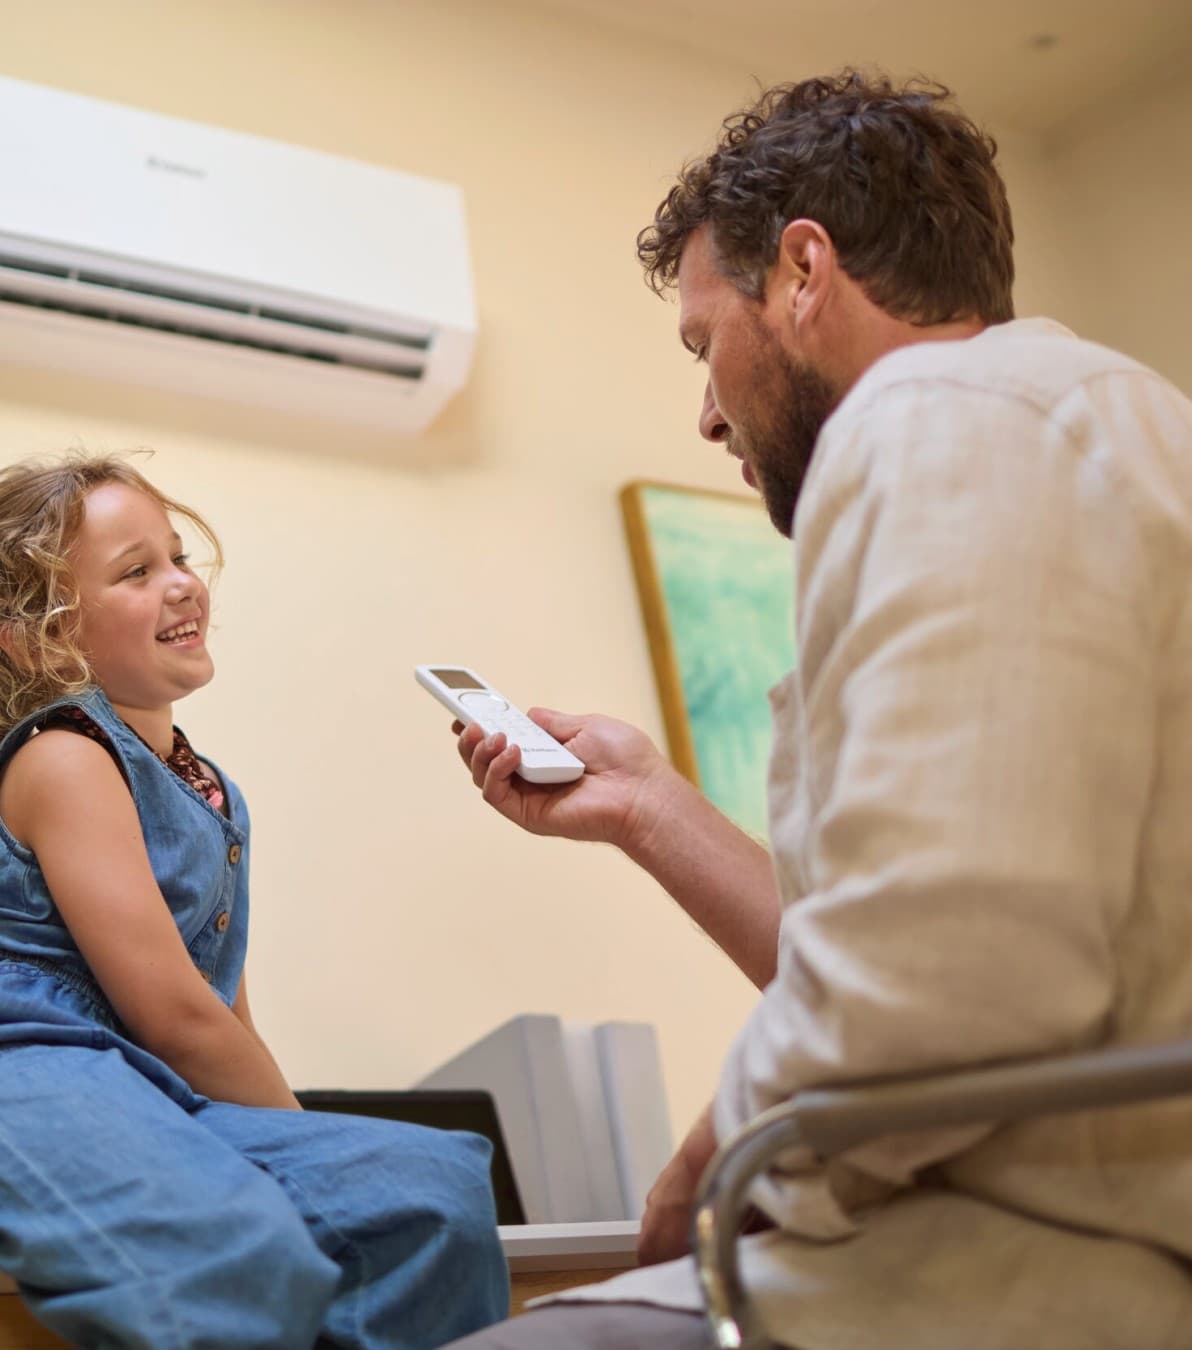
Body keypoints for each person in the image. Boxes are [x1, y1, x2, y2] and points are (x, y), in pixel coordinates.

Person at [446, 71, 1192, 1349]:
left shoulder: (934, 421)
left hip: (1036, 1261)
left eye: (702, 343)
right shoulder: (1107, 424)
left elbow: (948, 984)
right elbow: (950, 949)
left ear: (803, 271)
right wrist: (649, 808)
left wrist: (719, 1151)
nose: (705, 408)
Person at [0, 453, 507, 1349]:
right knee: (233, 1248)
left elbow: (219, 1015)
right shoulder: (66, 757)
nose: (182, 586)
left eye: (179, 556)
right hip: (1, 1065)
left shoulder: (214, 796)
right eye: (136, 571)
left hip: (142, 1085)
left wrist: (314, 1158)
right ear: (41, 642)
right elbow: (176, 1017)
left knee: (428, 1191)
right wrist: (296, 1152)